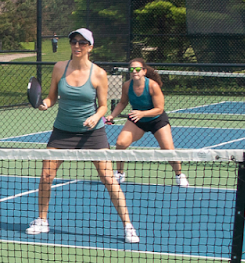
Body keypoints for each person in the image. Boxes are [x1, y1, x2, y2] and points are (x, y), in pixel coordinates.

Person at [27, 29, 140, 244]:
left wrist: (94, 117)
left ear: (90, 46)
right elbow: (52, 97)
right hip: (62, 131)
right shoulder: (60, 67)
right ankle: (42, 220)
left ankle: (128, 226)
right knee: (46, 176)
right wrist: (44, 105)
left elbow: (104, 105)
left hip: (93, 133)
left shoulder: (98, 74)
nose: (77, 46)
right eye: (74, 42)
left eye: (82, 42)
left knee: (108, 178)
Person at [111, 59, 188, 187]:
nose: (134, 72)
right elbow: (123, 103)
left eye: (137, 69)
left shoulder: (152, 86)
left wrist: (142, 113)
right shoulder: (126, 85)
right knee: (120, 143)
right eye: (131, 69)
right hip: (137, 120)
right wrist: (112, 115)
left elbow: (159, 109)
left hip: (157, 120)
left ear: (144, 71)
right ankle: (120, 173)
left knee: (168, 149)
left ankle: (179, 175)